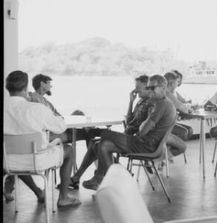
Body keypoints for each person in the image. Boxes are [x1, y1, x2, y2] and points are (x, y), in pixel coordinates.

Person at [82, 74, 176, 190]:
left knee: (103, 134)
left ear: (163, 88)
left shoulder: (162, 105)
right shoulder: (161, 103)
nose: (149, 90)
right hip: (144, 142)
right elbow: (136, 124)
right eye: (148, 87)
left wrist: (144, 122)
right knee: (103, 145)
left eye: (152, 88)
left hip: (145, 145)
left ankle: (106, 178)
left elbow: (142, 131)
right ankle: (107, 179)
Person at [3, 70, 81, 208]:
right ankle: (63, 197)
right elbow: (60, 127)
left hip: (8, 161)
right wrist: (56, 117)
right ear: (25, 88)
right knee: (69, 150)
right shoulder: (37, 109)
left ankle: (38, 192)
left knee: (18, 156)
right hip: (36, 160)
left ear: (7, 87)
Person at [69, 75, 153, 189]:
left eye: (138, 87)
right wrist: (131, 102)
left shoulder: (151, 103)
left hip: (133, 139)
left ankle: (97, 177)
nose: (135, 90)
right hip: (128, 135)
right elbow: (129, 121)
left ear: (148, 87)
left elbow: (143, 127)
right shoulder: (140, 102)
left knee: (99, 140)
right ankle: (81, 177)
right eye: (135, 86)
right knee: (94, 140)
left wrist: (129, 131)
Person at [28, 73, 101, 147]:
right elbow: (48, 119)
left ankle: (90, 130)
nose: (51, 86)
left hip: (59, 126)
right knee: (90, 133)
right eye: (49, 83)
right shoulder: (34, 98)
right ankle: (92, 133)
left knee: (78, 112)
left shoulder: (46, 101)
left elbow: (58, 115)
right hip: (55, 133)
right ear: (42, 84)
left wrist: (61, 119)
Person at [164, 72, 193, 161]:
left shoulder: (166, 92)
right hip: (164, 126)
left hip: (168, 123)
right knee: (183, 132)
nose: (178, 84)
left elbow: (181, 105)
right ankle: (164, 154)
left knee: (189, 130)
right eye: (177, 82)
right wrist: (188, 109)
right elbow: (183, 108)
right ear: (172, 84)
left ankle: (166, 150)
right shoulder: (168, 94)